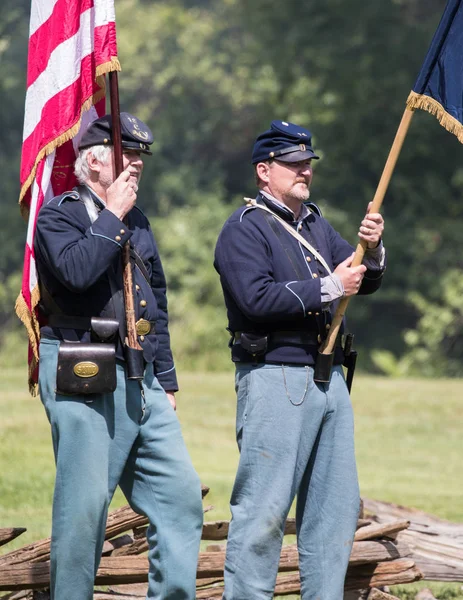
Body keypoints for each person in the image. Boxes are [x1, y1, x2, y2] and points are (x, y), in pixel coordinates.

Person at [214, 119, 386, 600]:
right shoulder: (244, 228)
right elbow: (256, 299)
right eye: (293, 164)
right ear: (264, 171)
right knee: (264, 512)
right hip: (275, 376)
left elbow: (361, 277)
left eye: (307, 163)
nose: (304, 171)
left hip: (329, 379)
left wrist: (370, 249)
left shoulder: (313, 222)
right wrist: (330, 286)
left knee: (335, 512)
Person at [34, 112, 203, 600]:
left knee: (181, 499)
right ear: (92, 159)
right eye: (126, 154)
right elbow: (77, 274)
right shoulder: (58, 214)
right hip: (81, 367)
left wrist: (167, 379)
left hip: (141, 375)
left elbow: (156, 300)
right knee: (84, 513)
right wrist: (111, 217)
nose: (136, 164)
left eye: (140, 156)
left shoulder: (138, 218)